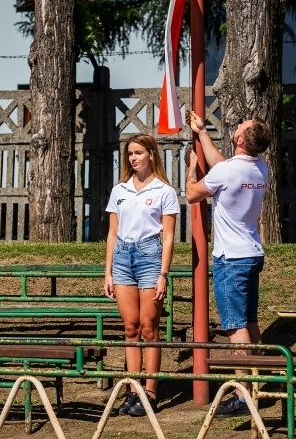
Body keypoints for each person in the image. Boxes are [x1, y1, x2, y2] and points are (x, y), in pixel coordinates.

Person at [184, 109, 271, 418]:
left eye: (240, 125)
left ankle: (243, 393)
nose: (237, 126)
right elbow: (224, 168)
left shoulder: (228, 171)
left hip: (230, 259)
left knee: (235, 327)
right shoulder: (260, 168)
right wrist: (203, 132)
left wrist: (192, 170)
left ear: (240, 139)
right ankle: (257, 386)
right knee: (250, 322)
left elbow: (193, 195)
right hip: (251, 253)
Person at [104, 134, 179, 417]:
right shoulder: (119, 189)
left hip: (150, 257)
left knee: (149, 327)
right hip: (123, 257)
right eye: (130, 154)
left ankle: (151, 392)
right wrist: (108, 272)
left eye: (138, 153)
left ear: (151, 154)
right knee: (130, 328)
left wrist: (163, 274)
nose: (133, 158)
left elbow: (169, 237)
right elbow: (112, 233)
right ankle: (132, 390)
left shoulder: (164, 191)